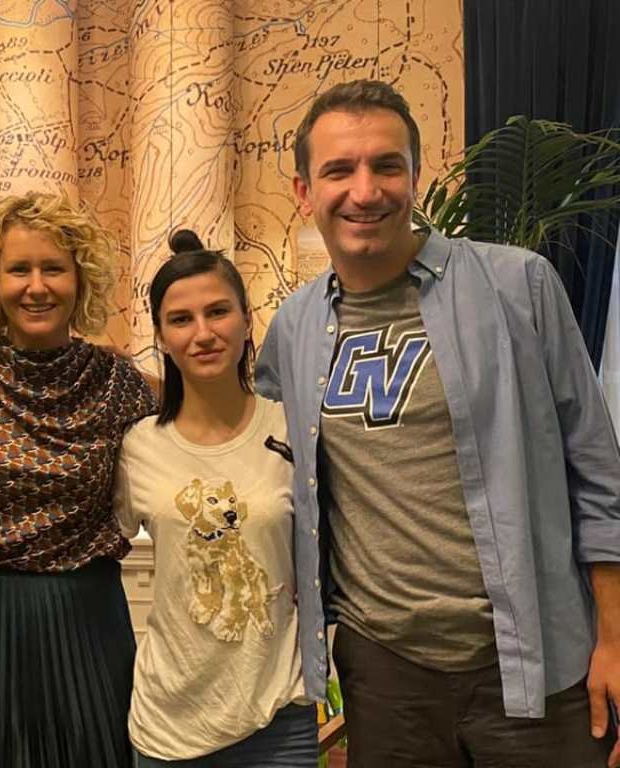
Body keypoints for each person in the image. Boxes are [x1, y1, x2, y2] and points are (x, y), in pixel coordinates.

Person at [256, 78, 620, 767]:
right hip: (386, 677)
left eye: (386, 166)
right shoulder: (293, 329)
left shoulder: (519, 286)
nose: (366, 191)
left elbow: (599, 475)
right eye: (339, 170)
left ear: (415, 176)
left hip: (534, 666)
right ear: (304, 191)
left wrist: (616, 641)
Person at [0, 191, 157, 768]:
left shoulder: (119, 384)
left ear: (80, 279)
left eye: (54, 269)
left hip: (85, 621)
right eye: (19, 269)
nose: (36, 287)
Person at [113, 230, 322, 767]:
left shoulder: (294, 429)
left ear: (247, 319)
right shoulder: (138, 447)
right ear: (161, 336)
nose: (203, 333)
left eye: (218, 312)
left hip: (276, 714)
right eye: (181, 319)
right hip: (168, 722)